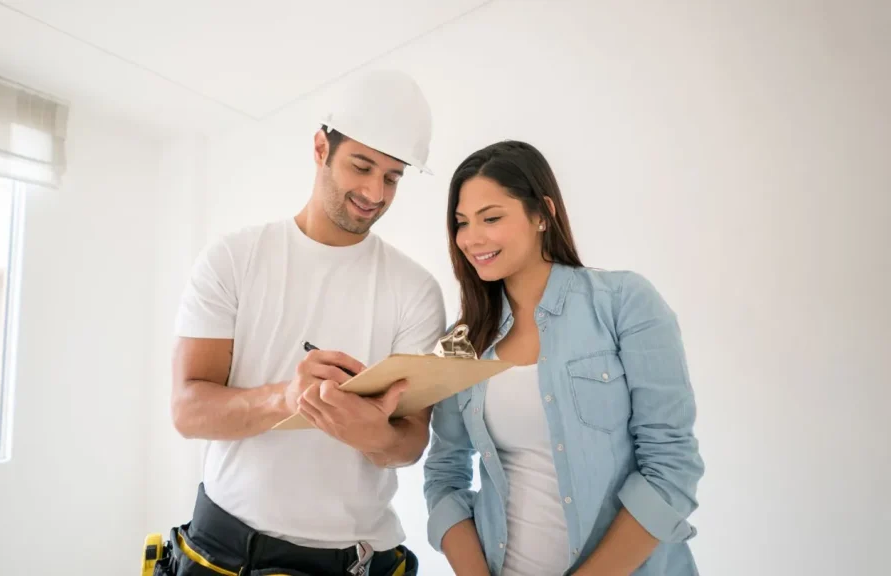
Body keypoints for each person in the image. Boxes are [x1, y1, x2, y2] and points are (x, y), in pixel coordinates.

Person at [156, 68, 446, 576]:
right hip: (226, 555)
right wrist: (286, 400)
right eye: (361, 166)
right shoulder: (233, 260)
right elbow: (187, 410)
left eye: (393, 177)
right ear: (320, 148)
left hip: (359, 561)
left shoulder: (416, 291)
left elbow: (412, 441)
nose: (375, 193)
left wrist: (373, 434)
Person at [422, 141, 705, 576]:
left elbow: (670, 468)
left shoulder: (624, 302)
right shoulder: (461, 343)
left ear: (542, 214)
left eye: (492, 218)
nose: (471, 238)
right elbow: (444, 477)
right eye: (461, 223)